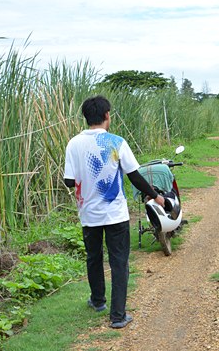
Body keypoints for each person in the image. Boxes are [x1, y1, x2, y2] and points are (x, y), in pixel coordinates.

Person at [64, 95, 165, 329]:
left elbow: (69, 181)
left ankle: (98, 300)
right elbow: (134, 175)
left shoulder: (73, 143)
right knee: (119, 262)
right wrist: (155, 195)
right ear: (107, 115)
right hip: (115, 215)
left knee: (94, 257)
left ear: (86, 117)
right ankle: (118, 316)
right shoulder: (116, 142)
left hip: (88, 213)